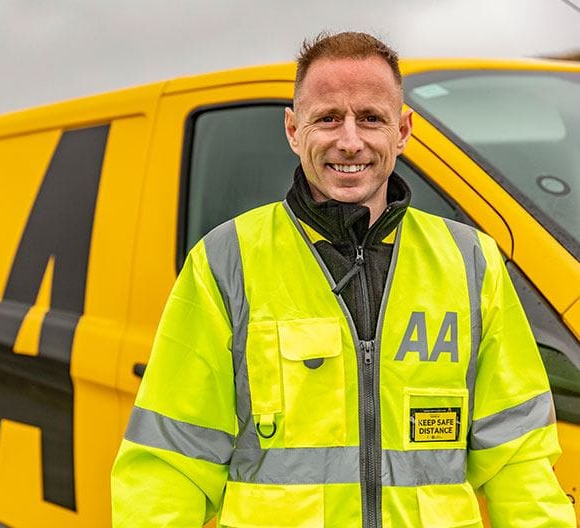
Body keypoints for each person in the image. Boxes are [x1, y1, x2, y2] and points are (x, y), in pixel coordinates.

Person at [111, 31, 575, 527]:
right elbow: (169, 467)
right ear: (293, 130)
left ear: (402, 131)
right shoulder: (226, 262)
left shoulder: (471, 263)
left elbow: (519, 464)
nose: (349, 141)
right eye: (328, 117)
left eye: (371, 119)